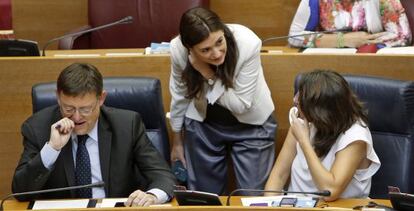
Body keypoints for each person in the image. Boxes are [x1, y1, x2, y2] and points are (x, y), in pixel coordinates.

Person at [12, 63, 176, 207]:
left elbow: (163, 175)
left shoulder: (127, 125)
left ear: (101, 98)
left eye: (85, 109)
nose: (76, 117)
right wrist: (52, 148)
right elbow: (21, 192)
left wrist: (152, 196)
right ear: (58, 97)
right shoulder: (38, 127)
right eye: (68, 109)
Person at [169, 7, 277, 195]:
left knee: (254, 198)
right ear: (190, 49)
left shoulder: (247, 43)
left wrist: (207, 73)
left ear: (223, 32)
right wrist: (177, 141)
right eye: (205, 50)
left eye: (219, 42)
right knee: (205, 199)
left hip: (252, 124)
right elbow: (179, 95)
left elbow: (240, 105)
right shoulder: (178, 49)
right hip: (204, 124)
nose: (217, 53)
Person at [265, 70, 381, 201]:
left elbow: (330, 191)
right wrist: (268, 205)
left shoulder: (355, 137)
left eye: (302, 97)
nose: (295, 99)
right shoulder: (302, 122)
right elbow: (279, 176)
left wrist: (304, 141)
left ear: (320, 111)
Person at [288, 0, 412, 49]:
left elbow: (403, 36)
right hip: (329, 67)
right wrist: (342, 40)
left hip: (372, 63)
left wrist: (364, 43)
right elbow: (294, 37)